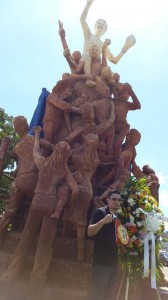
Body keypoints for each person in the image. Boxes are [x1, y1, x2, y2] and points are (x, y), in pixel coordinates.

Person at [2, 126, 79, 283]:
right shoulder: (64, 170)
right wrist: (67, 204)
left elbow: (35, 151)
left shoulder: (43, 163)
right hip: (51, 202)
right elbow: (76, 189)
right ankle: (38, 276)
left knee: (26, 237)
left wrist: (36, 134)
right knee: (45, 241)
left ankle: (11, 273)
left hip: (37, 201)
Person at [80, 0, 136, 87]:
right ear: (94, 26)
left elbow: (114, 60)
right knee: (88, 57)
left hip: (97, 68)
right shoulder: (89, 35)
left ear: (105, 30)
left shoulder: (103, 45)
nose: (100, 24)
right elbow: (82, 20)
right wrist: (88, 3)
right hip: (85, 62)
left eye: (103, 24)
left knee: (111, 75)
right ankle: (88, 79)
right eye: (98, 23)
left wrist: (125, 48)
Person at [87, 190, 122, 300]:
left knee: (109, 296)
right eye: (114, 199)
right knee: (97, 295)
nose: (116, 202)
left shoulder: (120, 218)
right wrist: (103, 221)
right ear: (108, 200)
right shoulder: (100, 212)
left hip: (114, 264)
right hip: (101, 263)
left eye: (119, 200)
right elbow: (89, 231)